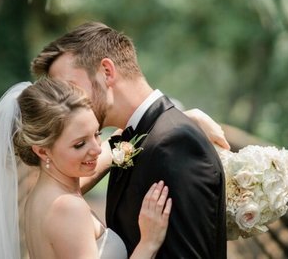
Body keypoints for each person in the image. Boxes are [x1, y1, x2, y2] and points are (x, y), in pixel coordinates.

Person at [32, 21, 227, 258]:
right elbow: (60, 180)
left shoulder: (176, 144)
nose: (66, 103)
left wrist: (178, 120)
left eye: (70, 88)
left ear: (107, 72)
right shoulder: (136, 139)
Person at [0, 78, 172, 259]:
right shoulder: (67, 209)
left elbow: (111, 147)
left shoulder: (43, 195)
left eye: (96, 133)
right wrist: (149, 243)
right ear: (43, 151)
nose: (96, 149)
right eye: (80, 144)